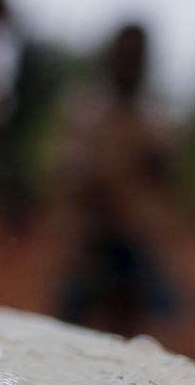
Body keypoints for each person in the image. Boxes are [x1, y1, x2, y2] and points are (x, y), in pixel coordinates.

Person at [55, 23, 179, 336]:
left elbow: (162, 179)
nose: (130, 64)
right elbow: (72, 176)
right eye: (125, 55)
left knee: (131, 331)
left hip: (133, 238)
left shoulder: (154, 118)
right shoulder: (87, 110)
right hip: (90, 239)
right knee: (72, 331)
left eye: (136, 57)